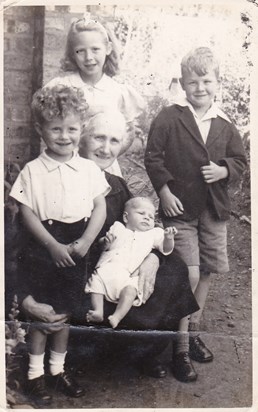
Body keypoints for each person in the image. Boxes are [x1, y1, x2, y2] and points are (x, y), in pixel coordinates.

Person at [18, 108, 199, 386]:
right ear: (83, 138)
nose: (105, 148)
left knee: (174, 267)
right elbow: (19, 244)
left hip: (113, 274)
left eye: (114, 141)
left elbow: (142, 228)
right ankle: (77, 358)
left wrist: (152, 256)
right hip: (72, 276)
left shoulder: (116, 185)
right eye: (98, 138)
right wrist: (26, 299)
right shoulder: (49, 178)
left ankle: (148, 351)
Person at [144, 47, 247, 381]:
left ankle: (193, 331)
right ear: (182, 83)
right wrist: (164, 190)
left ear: (218, 83)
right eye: (192, 82)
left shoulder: (225, 123)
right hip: (180, 208)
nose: (199, 88)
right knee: (187, 273)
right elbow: (153, 158)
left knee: (206, 271)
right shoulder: (169, 116)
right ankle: (181, 348)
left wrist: (224, 171)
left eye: (206, 81)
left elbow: (239, 161)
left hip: (213, 210)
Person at [9, 85, 110, 404]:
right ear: (41, 130)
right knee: (44, 317)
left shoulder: (89, 169)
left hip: (78, 244)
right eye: (56, 128)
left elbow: (100, 207)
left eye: (72, 128)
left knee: (64, 315)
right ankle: (35, 377)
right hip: (44, 248)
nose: (64, 136)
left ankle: (57, 370)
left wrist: (86, 240)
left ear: (82, 129)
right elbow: (26, 212)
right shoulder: (32, 171)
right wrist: (52, 245)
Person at [45, 16, 145, 177]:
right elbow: (47, 126)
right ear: (72, 53)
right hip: (66, 165)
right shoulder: (61, 86)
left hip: (104, 169)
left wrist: (108, 153)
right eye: (81, 51)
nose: (89, 57)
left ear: (108, 48)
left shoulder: (117, 91)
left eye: (95, 49)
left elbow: (128, 132)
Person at [85, 196, 177, 328]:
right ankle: (98, 311)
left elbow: (166, 249)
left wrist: (168, 238)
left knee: (131, 291)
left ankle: (117, 316)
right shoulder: (118, 228)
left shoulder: (153, 234)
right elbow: (102, 246)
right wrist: (105, 242)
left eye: (151, 217)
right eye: (141, 213)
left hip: (129, 275)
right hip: (109, 268)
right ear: (126, 217)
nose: (147, 218)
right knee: (96, 283)